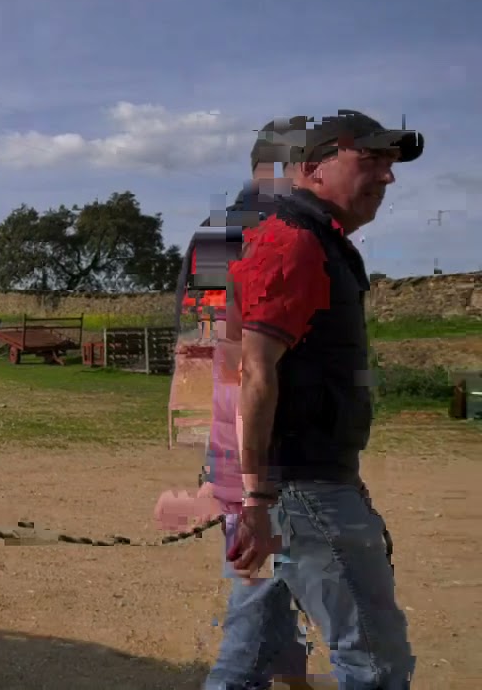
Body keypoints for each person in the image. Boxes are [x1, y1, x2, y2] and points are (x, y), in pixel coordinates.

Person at [209, 110, 423, 689]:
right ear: (310, 168)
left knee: (255, 655)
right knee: (377, 664)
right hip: (297, 490)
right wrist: (257, 497)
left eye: (389, 164)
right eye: (370, 160)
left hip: (291, 485)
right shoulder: (294, 242)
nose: (387, 177)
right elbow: (255, 373)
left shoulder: (298, 236)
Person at [156, 118, 311, 686]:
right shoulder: (281, 232)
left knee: (271, 570)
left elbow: (199, 334)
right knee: (261, 574)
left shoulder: (215, 234)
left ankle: (293, 677)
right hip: (270, 433)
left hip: (220, 423)